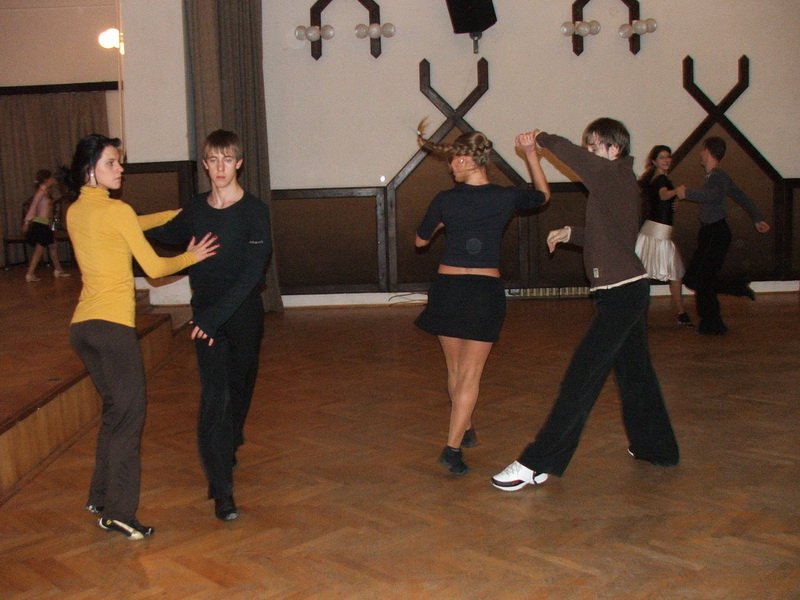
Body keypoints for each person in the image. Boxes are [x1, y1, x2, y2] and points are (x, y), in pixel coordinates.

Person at [492, 118, 679, 491]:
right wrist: (571, 233)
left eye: (595, 146)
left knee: (581, 377)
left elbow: (574, 157)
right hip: (623, 292)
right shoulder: (618, 183)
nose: (590, 153)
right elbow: (612, 235)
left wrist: (541, 139)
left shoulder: (614, 175)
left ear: (614, 148)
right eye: (589, 147)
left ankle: (537, 462)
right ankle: (657, 447)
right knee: (636, 375)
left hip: (622, 295)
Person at [64, 133, 219, 539]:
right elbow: (154, 268)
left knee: (114, 411)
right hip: (113, 330)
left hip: (83, 328)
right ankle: (120, 513)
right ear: (90, 169)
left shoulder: (76, 211)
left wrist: (174, 214)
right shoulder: (117, 212)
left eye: (119, 162)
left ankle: (100, 496)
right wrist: (193, 255)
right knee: (130, 419)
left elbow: (130, 222)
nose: (120, 169)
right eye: (111, 163)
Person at [147, 130, 272, 520]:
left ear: (239, 163)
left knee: (240, 388)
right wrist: (116, 225)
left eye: (227, 159)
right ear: (205, 164)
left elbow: (252, 275)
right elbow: (161, 234)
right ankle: (222, 489)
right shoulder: (196, 210)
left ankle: (229, 442)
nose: (220, 167)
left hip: (244, 314)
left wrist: (215, 317)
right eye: (213, 160)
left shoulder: (254, 212)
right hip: (206, 318)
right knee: (215, 397)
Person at [414, 125, 550, 475]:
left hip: (447, 289)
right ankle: (452, 448)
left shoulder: (445, 200)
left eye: (453, 161)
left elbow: (420, 241)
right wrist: (531, 155)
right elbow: (542, 195)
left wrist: (443, 225)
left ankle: (464, 431)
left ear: (466, 159)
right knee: (470, 375)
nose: (451, 168)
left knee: (456, 371)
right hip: (482, 292)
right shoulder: (505, 197)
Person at [675, 137, 771, 335]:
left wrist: (687, 193)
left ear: (708, 151)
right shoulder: (717, 176)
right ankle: (732, 295)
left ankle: (713, 323)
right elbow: (741, 196)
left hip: (715, 233)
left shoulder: (717, 177)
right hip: (711, 233)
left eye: (702, 150)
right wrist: (757, 218)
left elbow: (712, 196)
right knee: (697, 279)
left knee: (700, 279)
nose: (700, 153)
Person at [635, 145, 692, 327]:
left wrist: (674, 201)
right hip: (657, 234)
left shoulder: (659, 178)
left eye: (668, 156)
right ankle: (680, 313)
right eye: (662, 157)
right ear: (654, 161)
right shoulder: (660, 179)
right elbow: (663, 195)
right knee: (673, 274)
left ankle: (680, 312)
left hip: (656, 232)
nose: (666, 160)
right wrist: (676, 192)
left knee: (657, 274)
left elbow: (663, 199)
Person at [22, 169, 71, 282]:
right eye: (51, 178)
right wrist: (26, 222)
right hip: (40, 224)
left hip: (44, 223)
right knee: (40, 249)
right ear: (46, 179)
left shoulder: (46, 192)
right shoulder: (41, 192)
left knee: (53, 246)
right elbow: (33, 207)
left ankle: (58, 270)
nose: (53, 180)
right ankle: (30, 273)